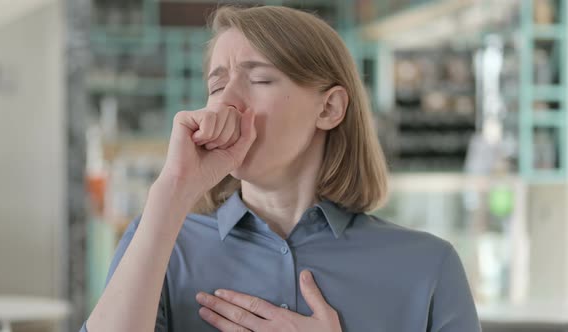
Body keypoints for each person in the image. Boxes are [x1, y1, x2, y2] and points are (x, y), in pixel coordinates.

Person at [82, 5, 481, 332]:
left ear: (328, 108)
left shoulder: (428, 267)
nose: (227, 103)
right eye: (217, 86)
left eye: (259, 79)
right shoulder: (161, 244)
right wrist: (170, 192)